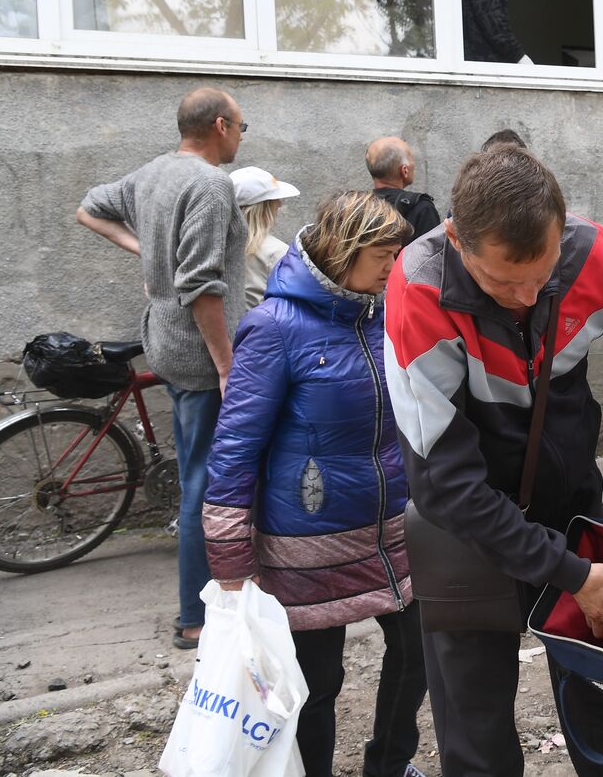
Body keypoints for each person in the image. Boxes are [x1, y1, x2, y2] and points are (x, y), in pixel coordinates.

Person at [383, 144, 603, 777]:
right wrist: (569, 574)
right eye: (500, 283)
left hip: (571, 512)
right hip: (466, 533)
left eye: (540, 278)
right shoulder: (419, 286)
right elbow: (445, 485)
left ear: (561, 229)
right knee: (477, 737)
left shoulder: (592, 252)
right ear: (458, 239)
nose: (523, 297)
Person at [203, 192, 426, 777]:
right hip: (307, 545)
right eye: (382, 255)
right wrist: (231, 562)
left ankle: (389, 765)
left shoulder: (383, 316)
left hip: (391, 531)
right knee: (317, 683)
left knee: (419, 651)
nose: (393, 267)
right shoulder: (273, 328)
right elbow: (233, 450)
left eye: (396, 255)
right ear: (344, 250)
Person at [77, 87, 247, 650]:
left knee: (197, 468)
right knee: (203, 481)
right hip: (199, 357)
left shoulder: (153, 173)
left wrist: (151, 256)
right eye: (241, 127)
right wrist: (226, 366)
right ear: (220, 126)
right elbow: (201, 286)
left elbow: (89, 208)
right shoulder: (210, 185)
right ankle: (194, 617)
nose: (241, 137)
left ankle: (229, 591)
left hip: (166, 344)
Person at [230, 165, 299, 307]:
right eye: (274, 200)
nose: (279, 204)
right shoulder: (278, 252)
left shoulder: (214, 245)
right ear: (263, 208)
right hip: (257, 321)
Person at [368, 136, 441, 244]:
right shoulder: (422, 208)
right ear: (404, 170)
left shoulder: (357, 207)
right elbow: (435, 251)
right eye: (412, 158)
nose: (414, 164)